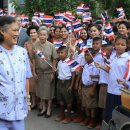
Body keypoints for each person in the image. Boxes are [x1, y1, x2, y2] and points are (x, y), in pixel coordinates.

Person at [0, 16, 32, 130]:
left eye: (18, 30)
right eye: (14, 30)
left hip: (18, 113)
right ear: (2, 31)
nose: (17, 33)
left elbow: (26, 77)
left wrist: (27, 100)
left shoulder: (22, 52)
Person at [95, 35, 130, 123]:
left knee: (119, 115)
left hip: (121, 92)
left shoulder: (127, 59)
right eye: (118, 44)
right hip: (111, 90)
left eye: (122, 44)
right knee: (109, 114)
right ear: (114, 44)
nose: (119, 46)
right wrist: (101, 66)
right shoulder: (113, 56)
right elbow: (109, 70)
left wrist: (124, 82)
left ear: (127, 46)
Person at [31, 26, 58, 118]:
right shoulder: (35, 45)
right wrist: (34, 72)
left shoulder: (51, 45)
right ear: (38, 35)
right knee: (41, 92)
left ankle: (49, 109)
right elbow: (34, 59)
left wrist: (53, 73)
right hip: (39, 73)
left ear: (47, 35)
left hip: (48, 73)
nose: (42, 37)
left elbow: (54, 59)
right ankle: (43, 108)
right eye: (41, 35)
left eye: (44, 35)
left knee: (49, 92)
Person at [55, 46, 75, 124]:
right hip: (60, 82)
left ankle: (68, 117)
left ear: (66, 53)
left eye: (62, 52)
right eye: (58, 53)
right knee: (61, 100)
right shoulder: (59, 62)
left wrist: (71, 85)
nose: (60, 54)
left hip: (67, 82)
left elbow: (73, 74)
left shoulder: (71, 61)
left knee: (68, 101)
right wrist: (55, 70)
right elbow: (59, 72)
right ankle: (62, 115)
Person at [81, 48, 99, 129]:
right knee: (85, 105)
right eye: (85, 55)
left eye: (88, 55)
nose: (86, 56)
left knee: (92, 106)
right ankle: (87, 118)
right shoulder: (85, 65)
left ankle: (93, 120)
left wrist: (93, 90)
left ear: (93, 55)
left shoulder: (95, 65)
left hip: (91, 87)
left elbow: (95, 79)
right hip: (84, 87)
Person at [24, 25, 39, 110]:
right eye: (31, 33)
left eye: (34, 32)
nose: (33, 34)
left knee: (39, 86)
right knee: (32, 86)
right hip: (30, 66)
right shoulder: (27, 43)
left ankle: (40, 103)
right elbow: (25, 55)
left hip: (40, 66)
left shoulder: (41, 41)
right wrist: (31, 64)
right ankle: (33, 102)